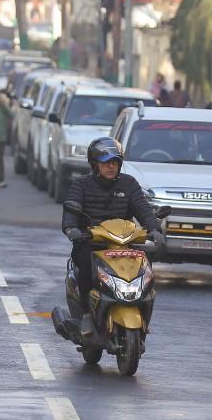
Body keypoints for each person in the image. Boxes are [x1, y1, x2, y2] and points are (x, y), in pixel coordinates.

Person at [62, 137, 164, 336]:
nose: (111, 166)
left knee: (146, 267)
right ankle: (85, 314)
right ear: (95, 165)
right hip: (91, 243)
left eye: (115, 162)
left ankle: (143, 311)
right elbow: (70, 212)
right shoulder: (80, 185)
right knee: (84, 264)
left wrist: (154, 229)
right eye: (106, 162)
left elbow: (143, 210)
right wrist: (71, 229)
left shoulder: (129, 184)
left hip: (124, 244)